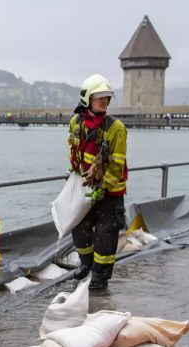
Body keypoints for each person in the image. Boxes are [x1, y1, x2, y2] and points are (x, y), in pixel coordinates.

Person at [67, 74, 128, 291]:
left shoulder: (116, 128)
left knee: (105, 235)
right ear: (87, 99)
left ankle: (100, 277)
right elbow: (74, 151)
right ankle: (86, 264)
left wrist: (102, 189)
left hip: (110, 193)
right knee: (79, 228)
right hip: (87, 188)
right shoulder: (75, 123)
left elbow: (116, 166)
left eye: (107, 97)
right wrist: (73, 173)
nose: (104, 101)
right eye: (99, 97)